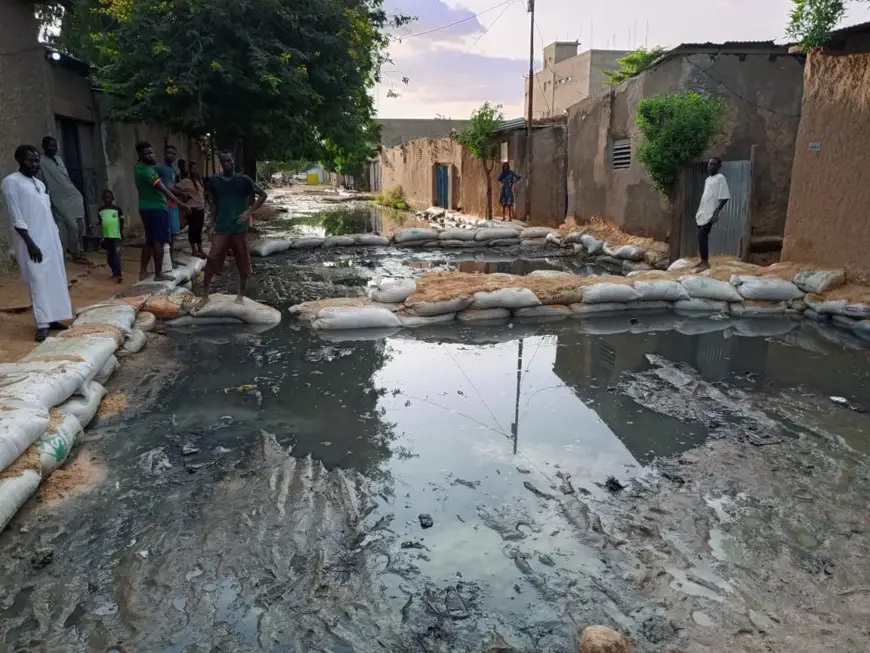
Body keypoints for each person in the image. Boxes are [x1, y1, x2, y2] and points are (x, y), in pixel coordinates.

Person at [1, 145, 73, 341]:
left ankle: (54, 318)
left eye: (36, 160)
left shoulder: (39, 184)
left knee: (54, 279)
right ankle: (42, 323)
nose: (35, 164)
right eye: (30, 161)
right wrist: (30, 243)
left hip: (50, 238)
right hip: (31, 241)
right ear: (19, 160)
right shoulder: (11, 182)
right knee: (38, 280)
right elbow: (16, 215)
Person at [195, 151, 267, 310]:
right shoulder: (215, 180)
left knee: (242, 260)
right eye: (224, 161)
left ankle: (241, 294)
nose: (228, 163)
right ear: (221, 163)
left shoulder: (244, 180)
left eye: (230, 161)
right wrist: (211, 224)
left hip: (239, 228)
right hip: (222, 228)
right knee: (212, 257)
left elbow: (263, 195)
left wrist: (250, 211)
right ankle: (205, 296)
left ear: (234, 161)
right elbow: (214, 204)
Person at [134, 141, 187, 280]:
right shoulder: (148, 172)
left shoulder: (138, 168)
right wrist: (181, 204)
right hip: (157, 208)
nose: (152, 156)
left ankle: (143, 272)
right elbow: (164, 189)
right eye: (147, 153)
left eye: (152, 152)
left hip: (145, 207)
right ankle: (159, 274)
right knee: (160, 241)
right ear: (140, 155)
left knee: (150, 240)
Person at [37, 135, 89, 264]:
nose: (53, 148)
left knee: (81, 223)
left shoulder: (59, 159)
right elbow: (41, 181)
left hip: (72, 194)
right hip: (58, 198)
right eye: (50, 146)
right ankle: (75, 253)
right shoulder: (40, 162)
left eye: (55, 146)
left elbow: (66, 177)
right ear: (44, 147)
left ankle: (79, 249)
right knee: (72, 225)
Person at [695, 157, 730, 272]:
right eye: (709, 164)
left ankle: (705, 263)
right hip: (703, 212)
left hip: (710, 213)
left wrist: (716, 212)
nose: (710, 166)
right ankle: (702, 260)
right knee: (701, 237)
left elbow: (724, 197)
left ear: (719, 166)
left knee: (702, 235)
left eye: (713, 164)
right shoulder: (707, 180)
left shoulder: (721, 178)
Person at [155, 144, 184, 247]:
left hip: (173, 204)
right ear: (164, 154)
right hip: (164, 204)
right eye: (169, 153)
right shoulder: (159, 168)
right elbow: (168, 187)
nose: (171, 156)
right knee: (165, 233)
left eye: (173, 154)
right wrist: (180, 192)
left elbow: (174, 185)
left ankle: (171, 259)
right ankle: (165, 259)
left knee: (173, 233)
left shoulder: (173, 170)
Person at [177, 161, 206, 257]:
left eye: (196, 168)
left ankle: (200, 249)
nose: (195, 170)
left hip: (201, 209)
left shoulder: (199, 181)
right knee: (192, 230)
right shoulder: (185, 181)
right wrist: (184, 195)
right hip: (192, 209)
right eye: (192, 168)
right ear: (189, 170)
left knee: (199, 229)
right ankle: (194, 250)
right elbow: (174, 188)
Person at [97, 189, 124, 282]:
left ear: (112, 198)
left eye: (109, 197)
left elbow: (121, 221)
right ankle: (114, 272)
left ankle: (119, 274)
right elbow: (101, 222)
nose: (107, 199)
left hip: (116, 236)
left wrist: (121, 232)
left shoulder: (117, 209)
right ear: (102, 199)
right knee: (109, 257)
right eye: (105, 197)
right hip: (107, 237)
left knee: (116, 255)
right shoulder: (100, 210)